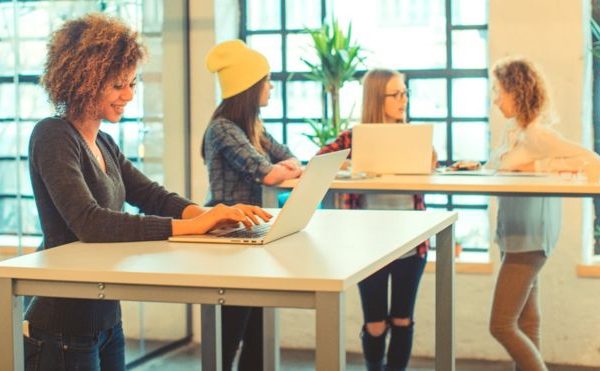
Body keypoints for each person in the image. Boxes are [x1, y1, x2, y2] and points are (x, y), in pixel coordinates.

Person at [25, 14, 270, 371]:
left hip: (106, 318)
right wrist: (195, 226)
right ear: (84, 82)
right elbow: (90, 223)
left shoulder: (104, 142)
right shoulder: (53, 136)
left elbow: (152, 195)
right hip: (63, 325)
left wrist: (214, 215)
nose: (128, 95)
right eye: (117, 86)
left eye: (131, 83)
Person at [487, 57, 600, 371]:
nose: (496, 100)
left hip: (530, 237)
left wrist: (536, 168)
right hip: (516, 233)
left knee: (501, 325)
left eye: (500, 92)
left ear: (518, 91)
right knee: (526, 321)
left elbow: (592, 161)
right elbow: (501, 167)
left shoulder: (538, 133)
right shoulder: (515, 130)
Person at [318, 69, 433, 371]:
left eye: (405, 92)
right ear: (376, 98)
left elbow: (432, 165)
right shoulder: (353, 138)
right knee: (376, 323)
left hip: (413, 243)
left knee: (403, 319)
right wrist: (358, 161)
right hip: (368, 246)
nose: (403, 100)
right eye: (396, 94)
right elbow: (320, 160)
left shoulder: (414, 136)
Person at [202, 39, 302, 371]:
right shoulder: (222, 129)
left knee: (258, 326)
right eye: (266, 80)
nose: (270, 87)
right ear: (248, 87)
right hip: (227, 236)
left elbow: (288, 158)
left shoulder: (254, 127)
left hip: (252, 232)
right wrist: (280, 169)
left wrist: (284, 167)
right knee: (231, 327)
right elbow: (267, 173)